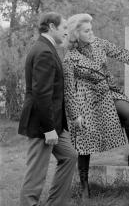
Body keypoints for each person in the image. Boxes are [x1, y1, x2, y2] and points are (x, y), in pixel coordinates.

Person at [63, 13, 129, 199]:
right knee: (84, 142)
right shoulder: (70, 58)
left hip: (107, 91)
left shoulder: (99, 43)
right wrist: (75, 115)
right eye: (86, 31)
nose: (91, 33)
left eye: (91, 29)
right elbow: (68, 90)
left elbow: (119, 52)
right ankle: (83, 184)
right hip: (85, 99)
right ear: (76, 34)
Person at [18, 12, 78, 206]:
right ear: (52, 27)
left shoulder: (47, 48)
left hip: (54, 122)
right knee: (36, 172)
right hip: (42, 123)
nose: (67, 33)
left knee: (69, 156)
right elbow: (41, 94)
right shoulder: (43, 51)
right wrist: (48, 129)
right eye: (64, 28)